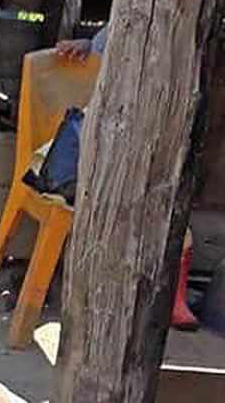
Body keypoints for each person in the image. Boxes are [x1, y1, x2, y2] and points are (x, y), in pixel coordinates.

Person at [56, 22, 198, 330]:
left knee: (173, 218)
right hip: (100, 163)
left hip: (141, 153)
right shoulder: (129, 22)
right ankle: (108, 297)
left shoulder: (169, 58)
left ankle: (173, 299)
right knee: (124, 213)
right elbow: (102, 46)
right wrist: (89, 45)